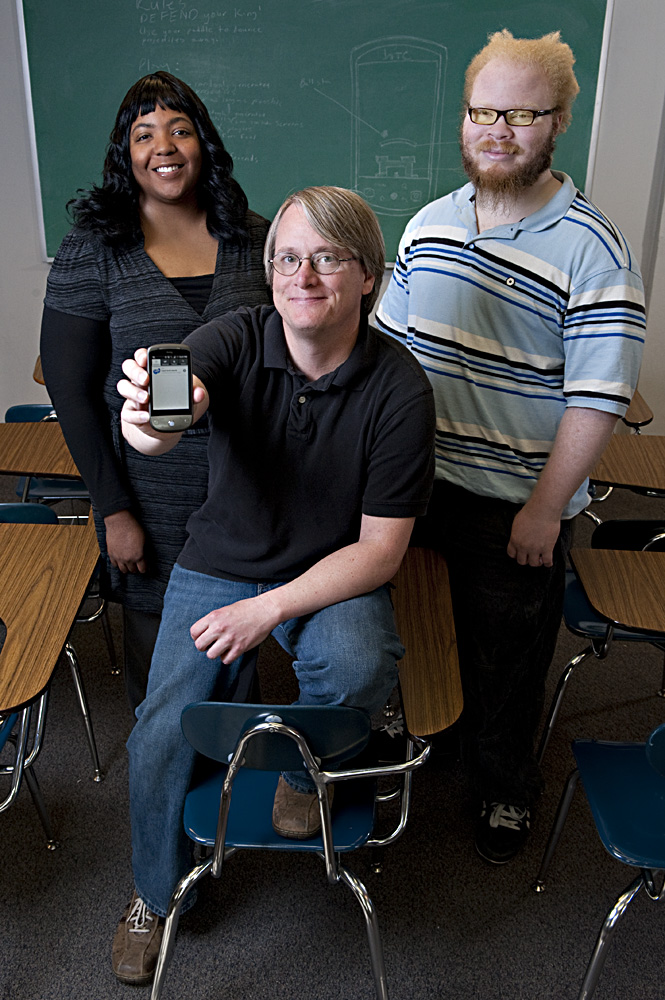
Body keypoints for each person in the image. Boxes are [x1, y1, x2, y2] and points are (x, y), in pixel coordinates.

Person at [110, 185, 435, 985]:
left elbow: (381, 552)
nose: (304, 275)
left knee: (360, 667)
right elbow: (160, 426)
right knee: (160, 730)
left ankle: (300, 777)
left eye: (328, 257)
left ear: (368, 275)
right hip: (222, 557)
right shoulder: (232, 336)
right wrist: (144, 416)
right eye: (288, 257)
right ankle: (155, 893)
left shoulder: (400, 389)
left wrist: (269, 609)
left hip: (331, 567)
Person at [376, 30, 646, 865]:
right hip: (419, 489)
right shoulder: (428, 226)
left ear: (558, 120)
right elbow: (387, 357)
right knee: (416, 633)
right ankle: (436, 742)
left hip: (513, 504)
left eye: (521, 113)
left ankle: (502, 788)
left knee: (507, 653)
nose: (497, 129)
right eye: (482, 110)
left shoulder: (593, 251)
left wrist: (541, 507)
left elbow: (595, 398)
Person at [39, 72, 271, 712]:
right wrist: (114, 511)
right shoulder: (95, 248)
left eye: (180, 129)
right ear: (126, 153)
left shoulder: (256, 237)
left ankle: (228, 785)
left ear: (204, 143)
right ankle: (163, 793)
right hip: (148, 500)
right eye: (144, 134)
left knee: (238, 650)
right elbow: (73, 392)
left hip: (247, 490)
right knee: (161, 674)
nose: (164, 146)